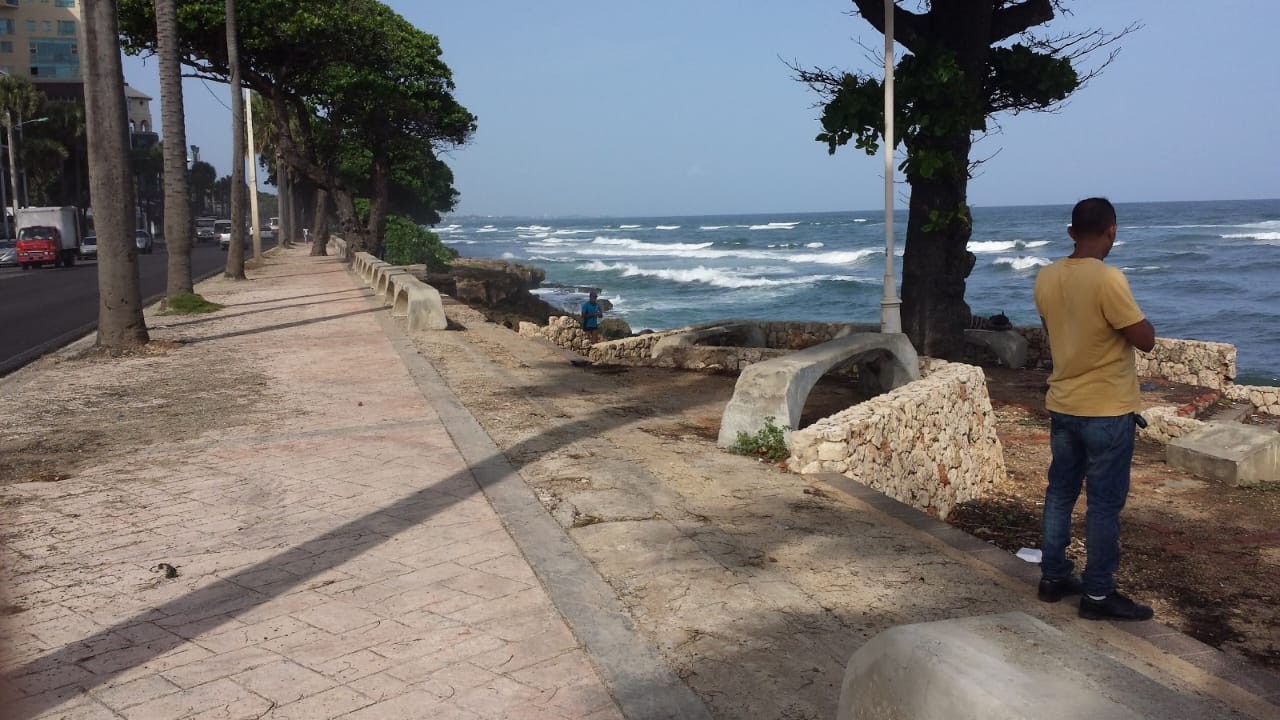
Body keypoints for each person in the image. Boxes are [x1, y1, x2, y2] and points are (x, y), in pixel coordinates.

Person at [1033, 197, 1156, 621]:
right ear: (1112, 230)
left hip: (1063, 404)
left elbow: (1055, 331)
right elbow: (1144, 338)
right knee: (1103, 504)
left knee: (1060, 493)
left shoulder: (1045, 278)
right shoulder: (1109, 279)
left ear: (1070, 232)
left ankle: (1053, 578)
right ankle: (1098, 595)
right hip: (1107, 408)